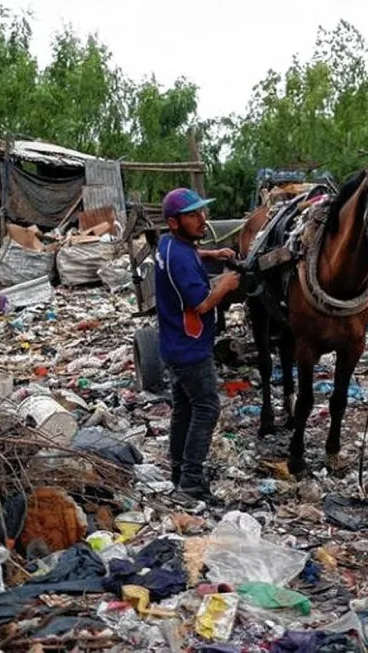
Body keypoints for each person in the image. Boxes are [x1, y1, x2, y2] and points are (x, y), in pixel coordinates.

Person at [154, 187, 240, 505]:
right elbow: (202, 304)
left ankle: (178, 472)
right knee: (207, 408)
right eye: (193, 215)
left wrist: (211, 254)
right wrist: (225, 284)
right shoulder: (180, 258)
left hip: (173, 344)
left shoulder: (169, 244)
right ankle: (191, 482)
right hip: (190, 348)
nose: (202, 219)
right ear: (174, 222)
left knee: (185, 408)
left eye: (202, 212)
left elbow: (187, 254)